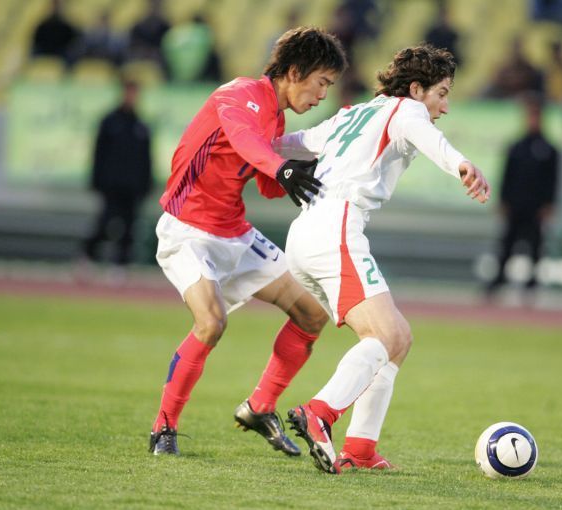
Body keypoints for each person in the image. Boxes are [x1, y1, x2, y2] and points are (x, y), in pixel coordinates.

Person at [273, 45, 490, 473]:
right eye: (442, 93)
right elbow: (431, 139)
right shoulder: (407, 110)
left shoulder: (354, 113)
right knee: (386, 335)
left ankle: (361, 449)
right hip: (336, 228)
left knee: (397, 338)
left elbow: (292, 144)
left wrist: (247, 138)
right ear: (416, 89)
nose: (444, 106)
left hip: (305, 234)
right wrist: (462, 164)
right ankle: (319, 412)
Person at [148, 27, 347, 456]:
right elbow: (247, 143)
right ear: (295, 71)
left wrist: (315, 164)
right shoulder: (239, 94)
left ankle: (259, 407)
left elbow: (269, 182)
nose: (322, 95)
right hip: (187, 230)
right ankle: (164, 427)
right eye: (322, 82)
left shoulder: (276, 117)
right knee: (211, 323)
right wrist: (283, 167)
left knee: (312, 314)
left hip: (235, 233)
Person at [487, 94, 559, 296]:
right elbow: (507, 175)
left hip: (536, 207)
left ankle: (532, 282)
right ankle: (499, 279)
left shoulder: (549, 149)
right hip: (515, 204)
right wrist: (503, 200)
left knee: (535, 246)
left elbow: (553, 180)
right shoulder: (516, 147)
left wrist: (549, 204)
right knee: (507, 244)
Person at [82, 80, 152, 276]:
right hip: (111, 185)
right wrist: (97, 181)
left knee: (129, 226)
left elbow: (146, 159)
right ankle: (88, 257)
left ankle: (120, 265)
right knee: (105, 222)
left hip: (132, 187)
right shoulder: (109, 122)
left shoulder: (141, 125)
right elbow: (99, 154)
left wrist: (146, 184)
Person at [31, 0, 80, 65]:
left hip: (62, 51)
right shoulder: (44, 24)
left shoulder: (66, 25)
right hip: (44, 50)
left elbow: (74, 39)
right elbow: (36, 39)